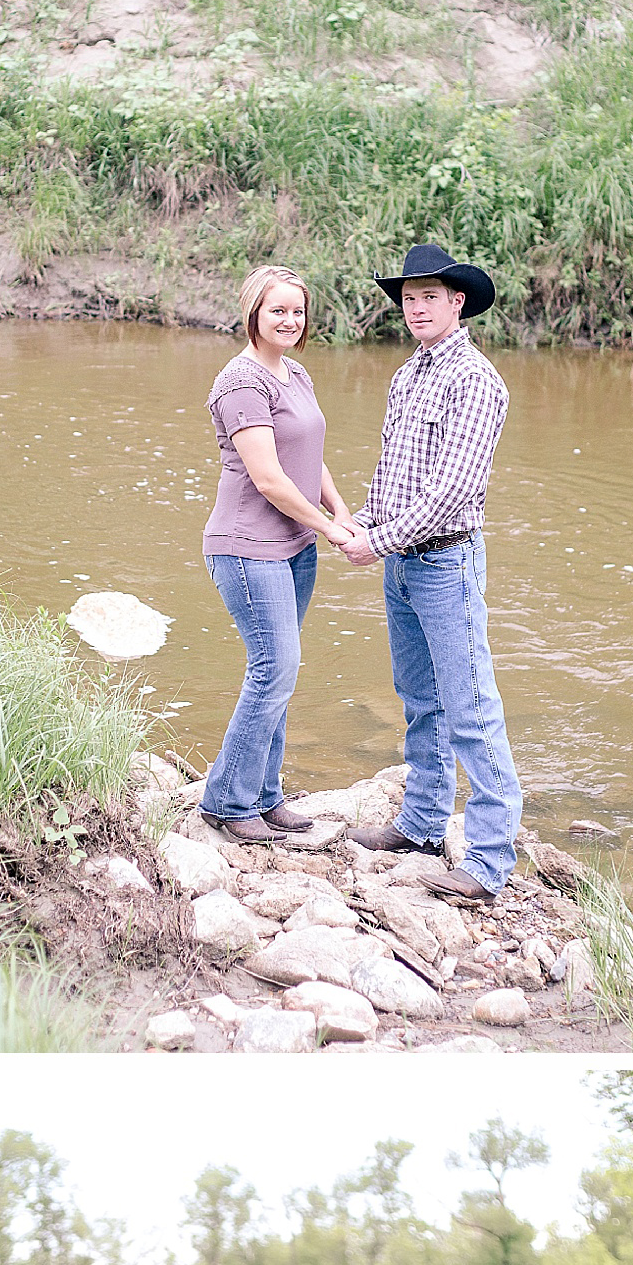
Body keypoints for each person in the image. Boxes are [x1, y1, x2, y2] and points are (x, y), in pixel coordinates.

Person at [337, 240, 523, 907]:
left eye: (429, 297)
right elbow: (393, 480)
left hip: (446, 560)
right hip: (403, 564)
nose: (416, 308)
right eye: (408, 299)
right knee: (419, 698)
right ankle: (419, 825)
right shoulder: (407, 375)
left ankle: (490, 861)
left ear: (457, 302)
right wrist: (359, 523)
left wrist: (374, 543)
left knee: (471, 711)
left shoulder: (476, 382)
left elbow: (449, 494)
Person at [198, 266, 360, 845]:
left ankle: (265, 797)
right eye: (278, 311)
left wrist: (339, 511)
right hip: (248, 548)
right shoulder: (242, 383)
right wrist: (334, 532)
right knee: (274, 669)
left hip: (294, 546)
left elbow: (307, 457)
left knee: (281, 672)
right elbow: (268, 479)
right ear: (252, 316)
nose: (290, 321)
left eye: (298, 311)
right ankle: (226, 801)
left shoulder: (294, 374)